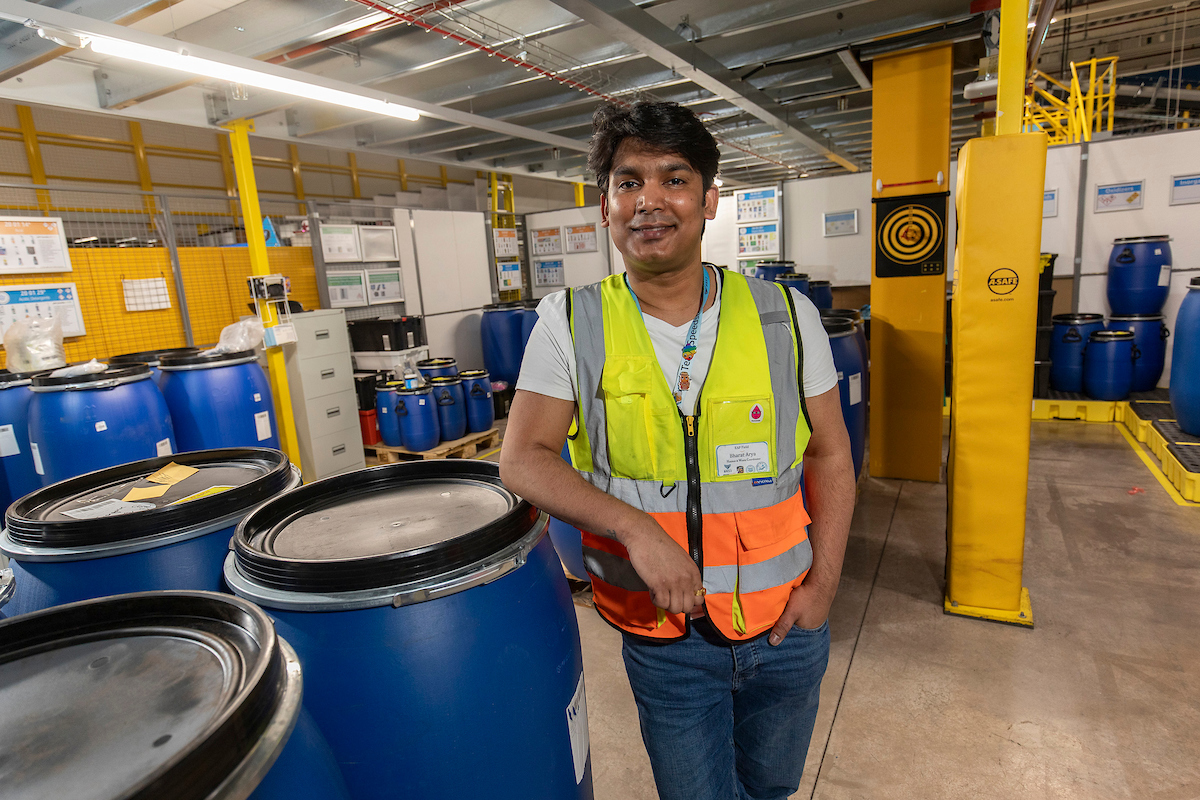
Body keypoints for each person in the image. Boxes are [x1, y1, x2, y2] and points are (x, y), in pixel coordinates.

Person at [499, 101, 857, 800]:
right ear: (604, 206)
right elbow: (524, 458)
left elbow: (831, 457)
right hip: (664, 640)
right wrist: (636, 530)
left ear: (709, 200)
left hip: (787, 627)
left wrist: (826, 586)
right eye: (628, 182)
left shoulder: (786, 317)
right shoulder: (569, 324)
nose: (650, 201)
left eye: (674, 179)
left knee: (773, 789)